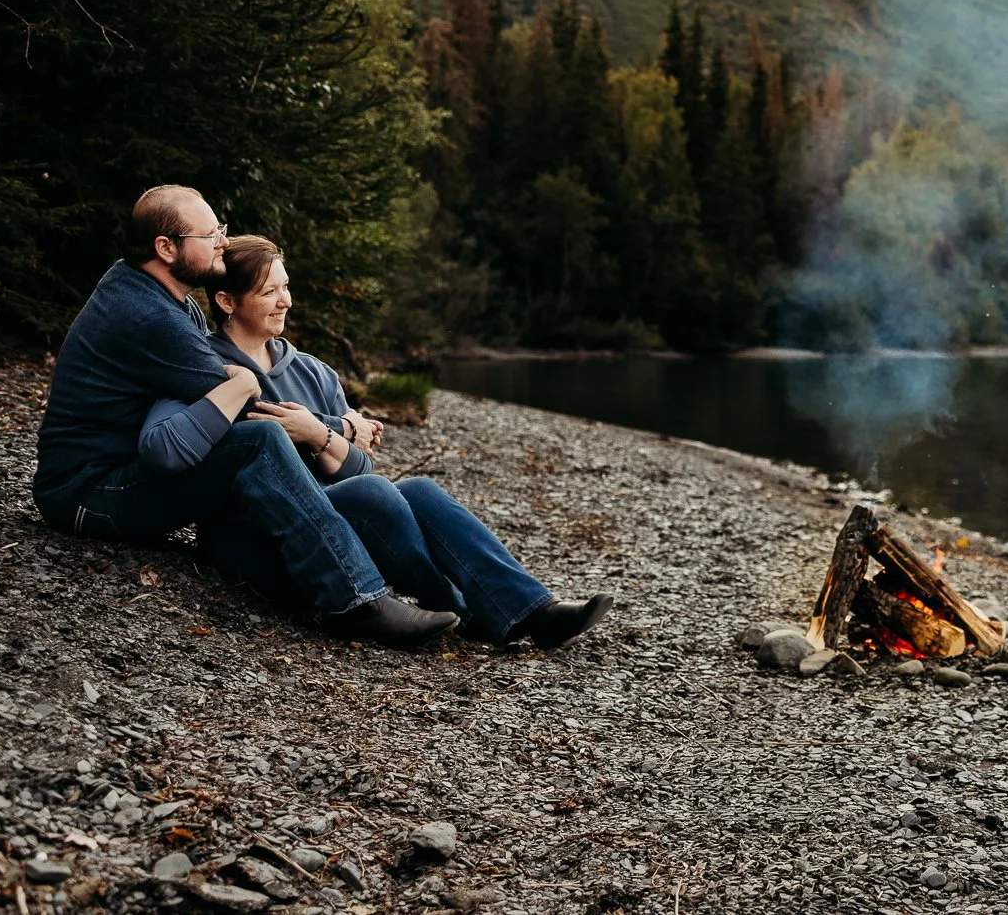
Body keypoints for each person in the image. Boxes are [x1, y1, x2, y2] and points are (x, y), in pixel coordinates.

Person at [35, 185, 457, 647]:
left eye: (222, 230)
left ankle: (411, 594)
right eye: (210, 233)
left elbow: (225, 403)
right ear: (166, 247)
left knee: (278, 451)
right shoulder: (150, 316)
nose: (222, 241)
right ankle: (355, 601)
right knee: (260, 442)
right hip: (88, 493)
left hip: (117, 475)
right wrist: (341, 429)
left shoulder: (148, 291)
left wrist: (317, 426)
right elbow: (253, 413)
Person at [159, 234, 612, 649]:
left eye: (286, 287)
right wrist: (338, 433)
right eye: (269, 292)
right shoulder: (208, 367)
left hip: (338, 529)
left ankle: (535, 609)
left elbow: (360, 467)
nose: (285, 302)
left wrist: (318, 433)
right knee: (376, 492)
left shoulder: (313, 371)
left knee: (418, 490)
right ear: (226, 300)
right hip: (263, 537)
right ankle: (463, 605)